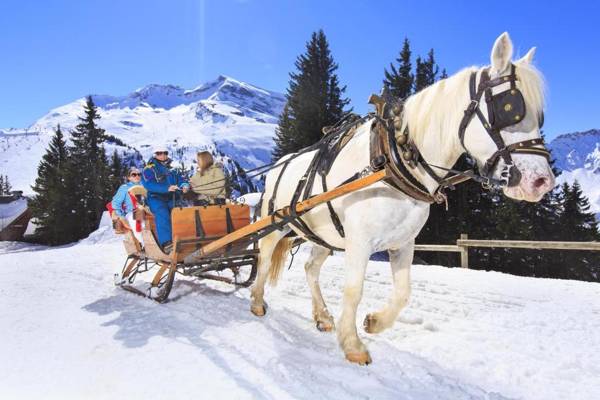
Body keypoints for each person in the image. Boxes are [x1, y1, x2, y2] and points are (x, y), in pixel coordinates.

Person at [142, 146, 190, 249]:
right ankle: (167, 243)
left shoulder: (172, 169)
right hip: (156, 198)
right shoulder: (149, 169)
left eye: (165, 153)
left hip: (172, 197)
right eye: (159, 153)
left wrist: (184, 185)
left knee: (181, 211)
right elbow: (149, 184)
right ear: (155, 154)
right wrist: (166, 188)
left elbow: (181, 179)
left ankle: (185, 237)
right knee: (162, 211)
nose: (163, 155)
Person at [108, 167, 146, 243]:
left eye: (139, 174)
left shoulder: (145, 186)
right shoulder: (124, 188)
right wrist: (121, 216)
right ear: (129, 177)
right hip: (132, 212)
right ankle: (144, 244)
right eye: (134, 175)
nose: (137, 176)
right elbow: (115, 203)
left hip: (148, 210)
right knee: (139, 225)